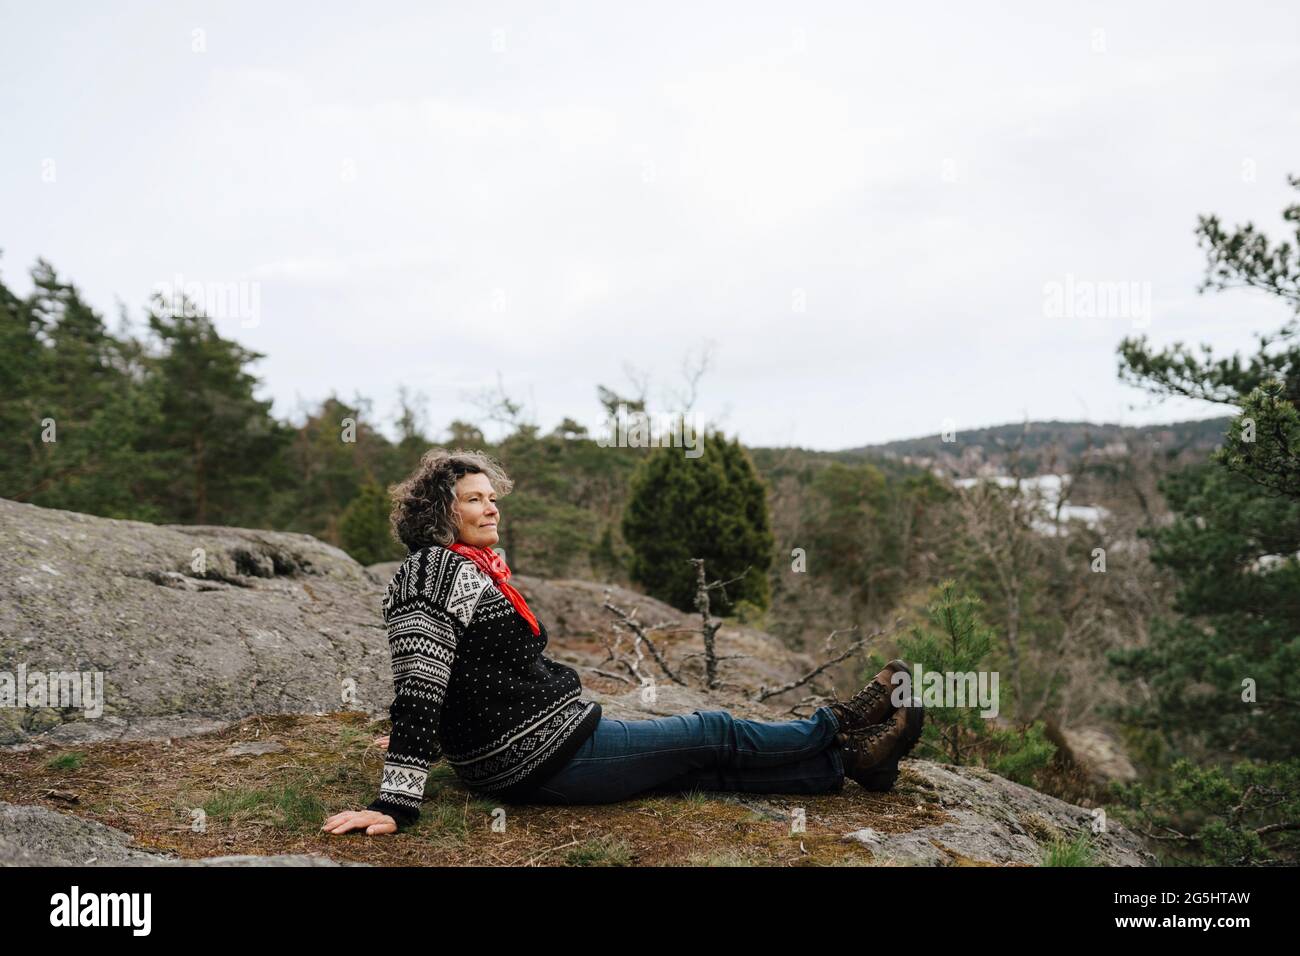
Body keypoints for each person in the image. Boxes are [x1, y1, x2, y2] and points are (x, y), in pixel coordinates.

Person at [322, 449, 923, 837]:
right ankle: (840, 721)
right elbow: (421, 685)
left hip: (531, 752)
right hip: (541, 757)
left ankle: (851, 763)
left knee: (692, 770)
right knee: (709, 730)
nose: (491, 508)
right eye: (474, 499)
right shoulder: (435, 571)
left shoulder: (467, 568)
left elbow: (458, 675)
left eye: (493, 497)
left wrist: (437, 738)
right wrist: (396, 802)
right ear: (439, 512)